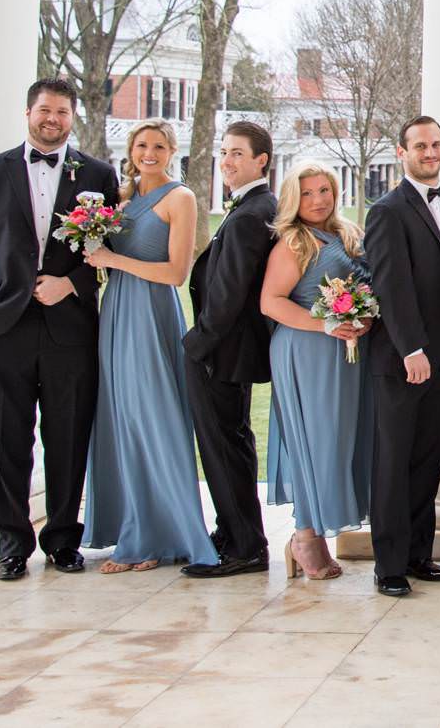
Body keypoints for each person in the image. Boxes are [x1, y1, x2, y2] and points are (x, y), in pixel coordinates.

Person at [0, 78, 120, 580]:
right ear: (28, 112)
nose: (53, 119)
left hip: (70, 328)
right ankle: (11, 544)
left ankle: (63, 539)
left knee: (68, 434)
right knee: (6, 438)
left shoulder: (98, 174)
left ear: (73, 117)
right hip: (3, 328)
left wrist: (70, 285)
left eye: (63, 112)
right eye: (45, 110)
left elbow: (109, 255)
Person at [81, 119, 217, 572]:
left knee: (153, 417)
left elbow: (176, 273)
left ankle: (158, 536)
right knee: (121, 418)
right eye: (142, 145)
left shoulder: (180, 198)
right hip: (115, 311)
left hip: (151, 312)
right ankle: (133, 530)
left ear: (172, 150)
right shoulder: (119, 200)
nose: (149, 153)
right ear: (131, 150)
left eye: (159, 145)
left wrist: (112, 259)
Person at [363, 115, 440, 598]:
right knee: (394, 459)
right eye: (420, 146)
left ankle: (417, 555)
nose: (430, 153)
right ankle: (388, 564)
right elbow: (391, 285)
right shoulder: (387, 210)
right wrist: (411, 347)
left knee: (428, 456)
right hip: (404, 355)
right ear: (401, 151)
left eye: (435, 145)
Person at [260, 162, 374, 581]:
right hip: (305, 350)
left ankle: (315, 536)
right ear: (294, 198)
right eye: (307, 193)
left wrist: (365, 319)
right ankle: (304, 535)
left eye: (324, 190)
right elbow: (271, 301)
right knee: (313, 441)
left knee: (338, 443)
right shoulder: (294, 241)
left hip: (345, 353)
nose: (318, 199)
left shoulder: (348, 235)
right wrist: (324, 323)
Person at [179, 120, 277, 579]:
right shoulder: (252, 207)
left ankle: (245, 546)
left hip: (220, 352)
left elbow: (228, 294)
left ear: (262, 160)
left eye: (237, 153)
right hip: (226, 351)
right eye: (223, 152)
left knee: (223, 446)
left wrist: (195, 344)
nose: (226, 161)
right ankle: (234, 532)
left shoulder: (250, 214)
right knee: (230, 442)